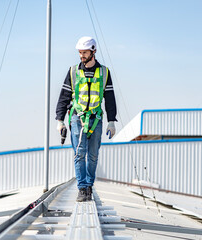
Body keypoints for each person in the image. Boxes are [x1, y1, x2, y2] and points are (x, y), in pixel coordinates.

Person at [55, 36, 117, 202]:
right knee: (79, 154)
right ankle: (82, 188)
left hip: (96, 118)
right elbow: (64, 96)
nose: (81, 56)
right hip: (77, 118)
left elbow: (110, 98)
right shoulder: (73, 71)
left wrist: (112, 120)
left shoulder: (104, 72)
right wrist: (59, 119)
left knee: (93, 155)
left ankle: (89, 184)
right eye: (80, 52)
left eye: (85, 52)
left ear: (93, 51)